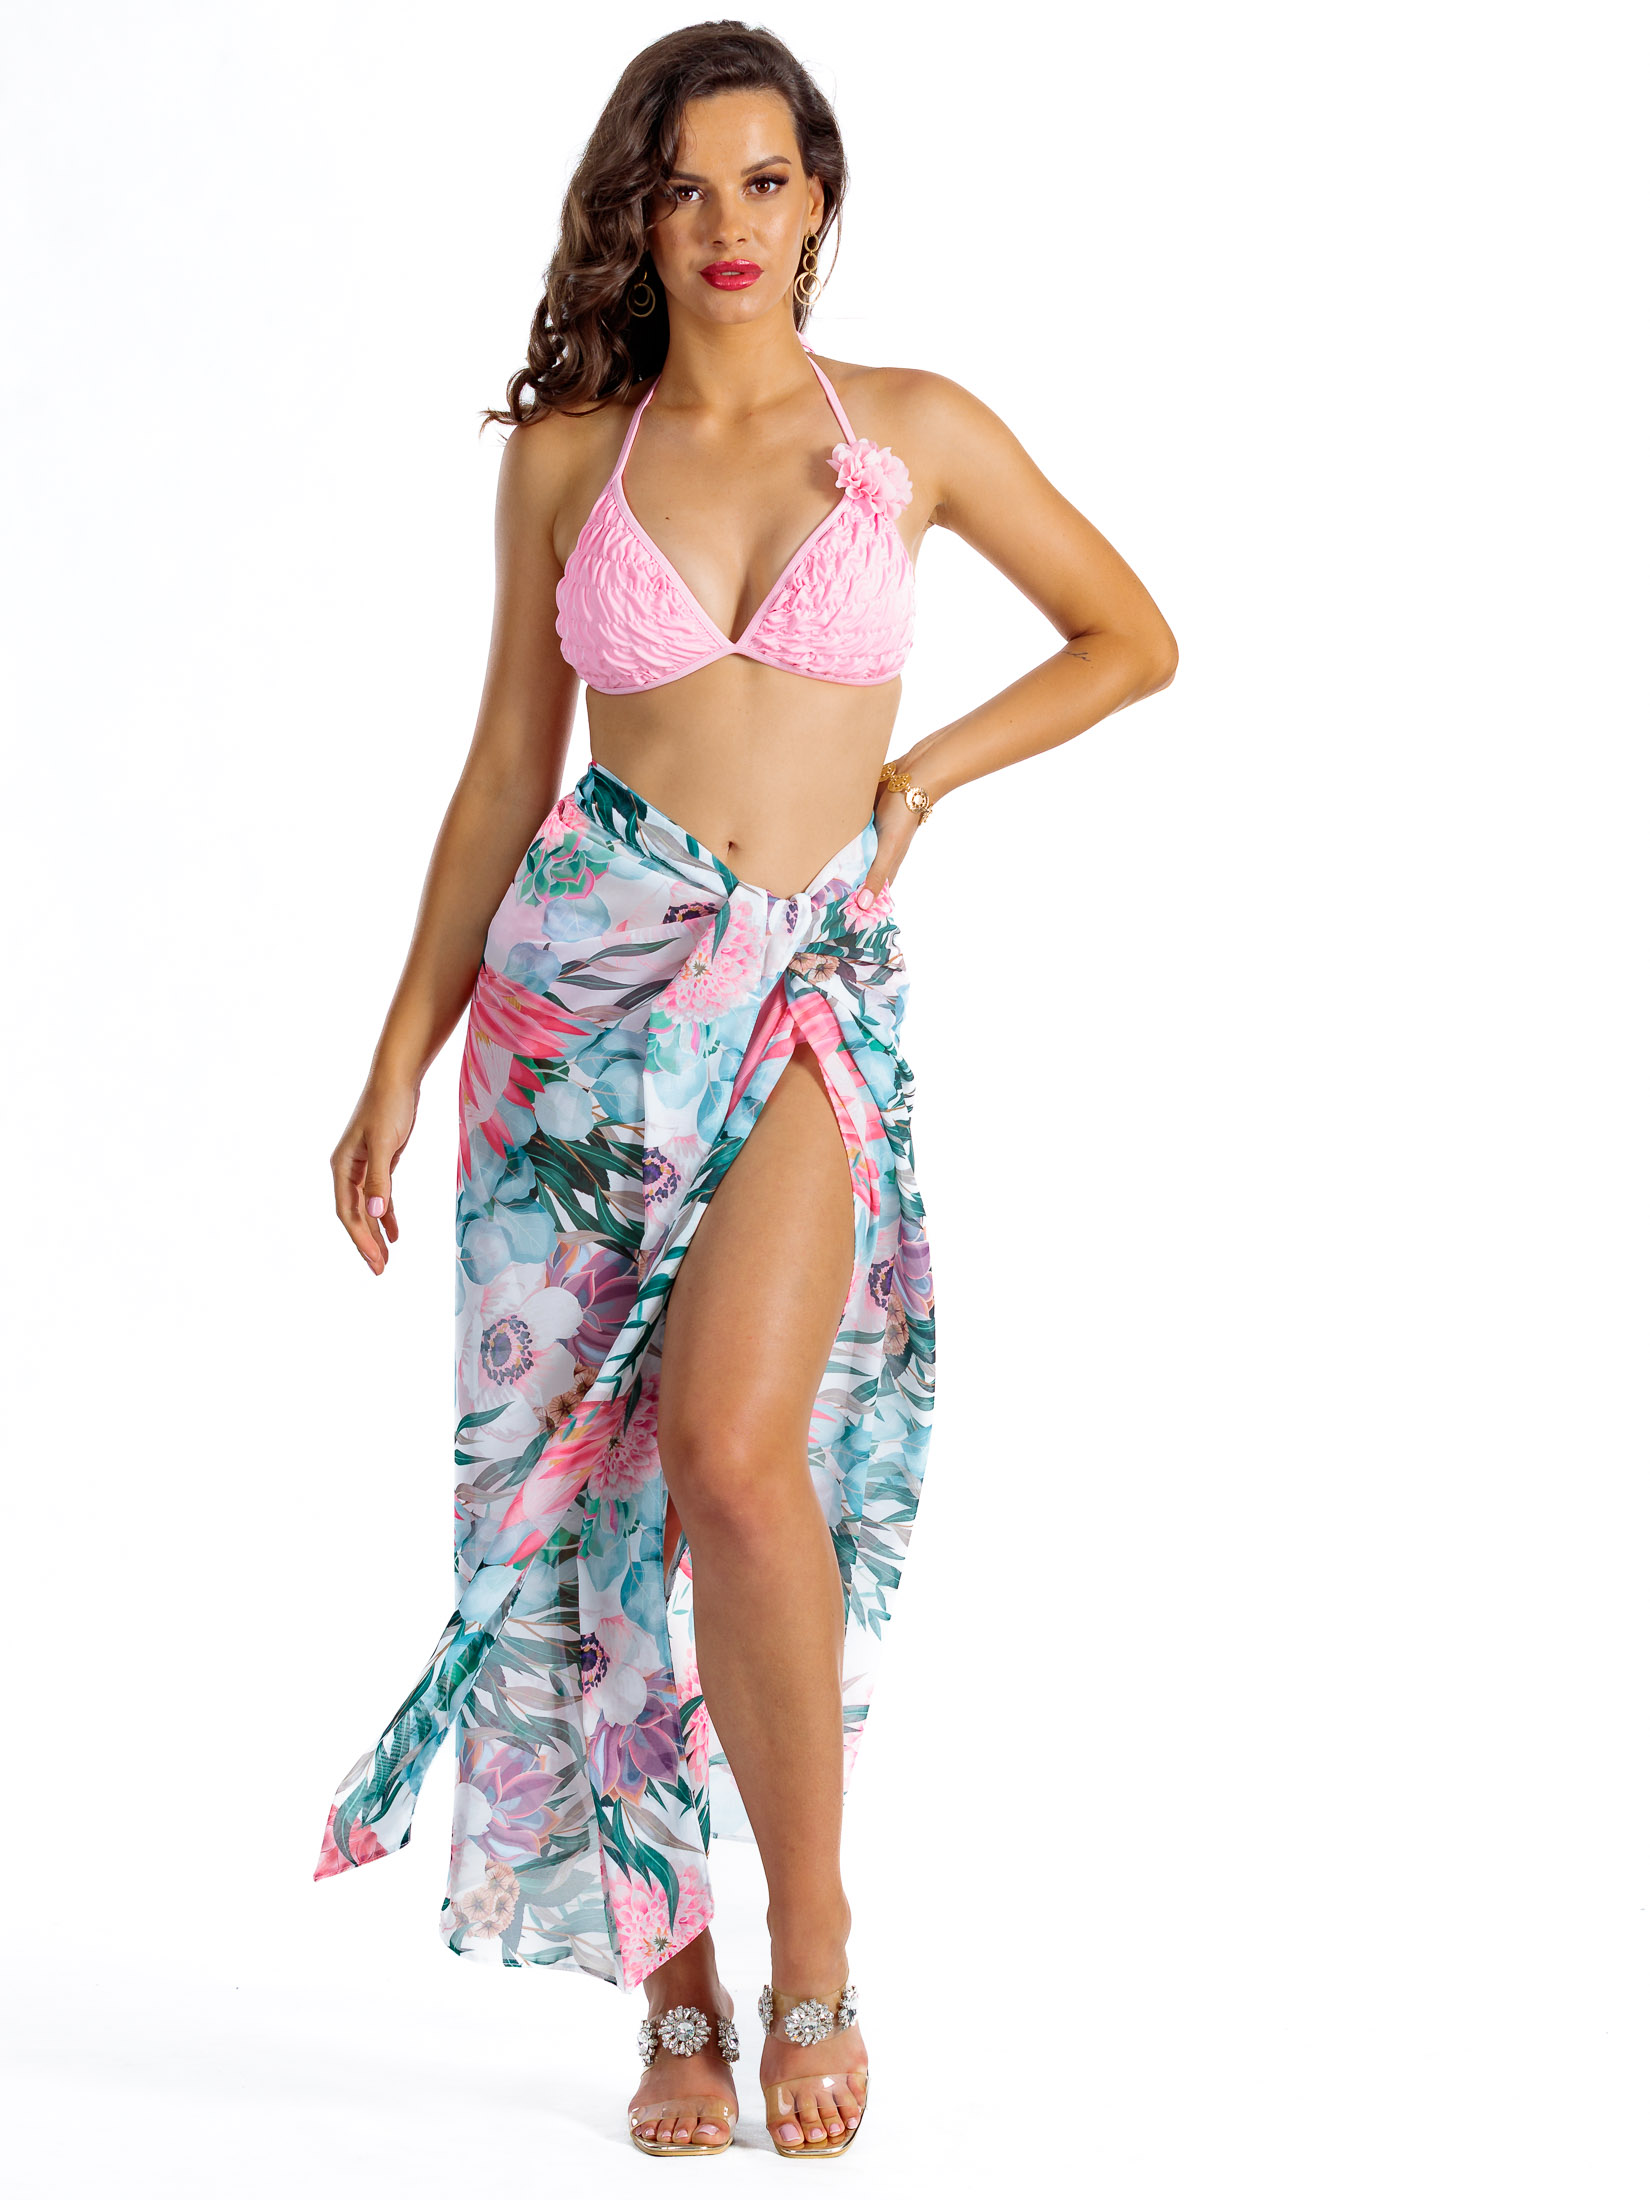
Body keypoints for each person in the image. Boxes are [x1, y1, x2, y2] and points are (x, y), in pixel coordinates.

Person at [315, 19, 1177, 2161]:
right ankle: (675, 1990)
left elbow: (1129, 636)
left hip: (799, 992)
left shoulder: (909, 430)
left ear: (818, 201)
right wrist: (396, 1055)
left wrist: (923, 778)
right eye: (685, 185)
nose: (727, 224)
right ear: (638, 210)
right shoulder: (567, 460)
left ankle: (816, 1935)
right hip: (573, 1017)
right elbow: (504, 776)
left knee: (725, 1449)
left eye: (765, 181)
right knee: (593, 1495)